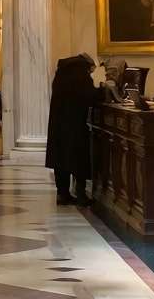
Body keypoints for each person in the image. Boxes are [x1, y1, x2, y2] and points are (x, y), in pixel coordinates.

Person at [45, 53, 98, 205]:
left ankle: (62, 194)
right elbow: (90, 96)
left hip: (58, 126)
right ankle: (81, 194)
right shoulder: (80, 75)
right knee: (79, 161)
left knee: (60, 162)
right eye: (90, 71)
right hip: (75, 127)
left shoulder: (61, 74)